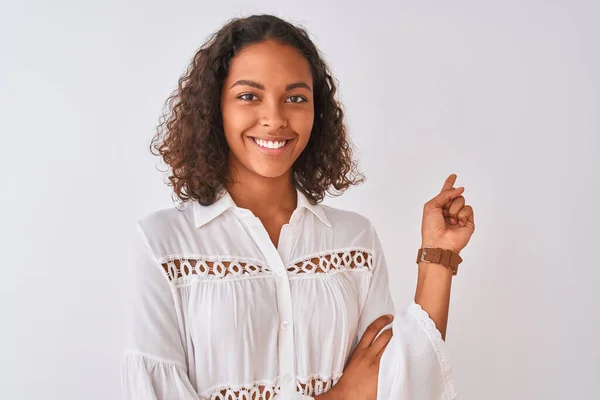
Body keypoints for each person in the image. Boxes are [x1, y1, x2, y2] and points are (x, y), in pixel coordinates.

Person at [121, 14, 475, 400]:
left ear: (316, 112)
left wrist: (438, 258)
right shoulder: (164, 244)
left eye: (295, 98)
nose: (275, 118)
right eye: (248, 95)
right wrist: (341, 396)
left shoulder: (355, 241)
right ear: (214, 108)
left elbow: (401, 385)